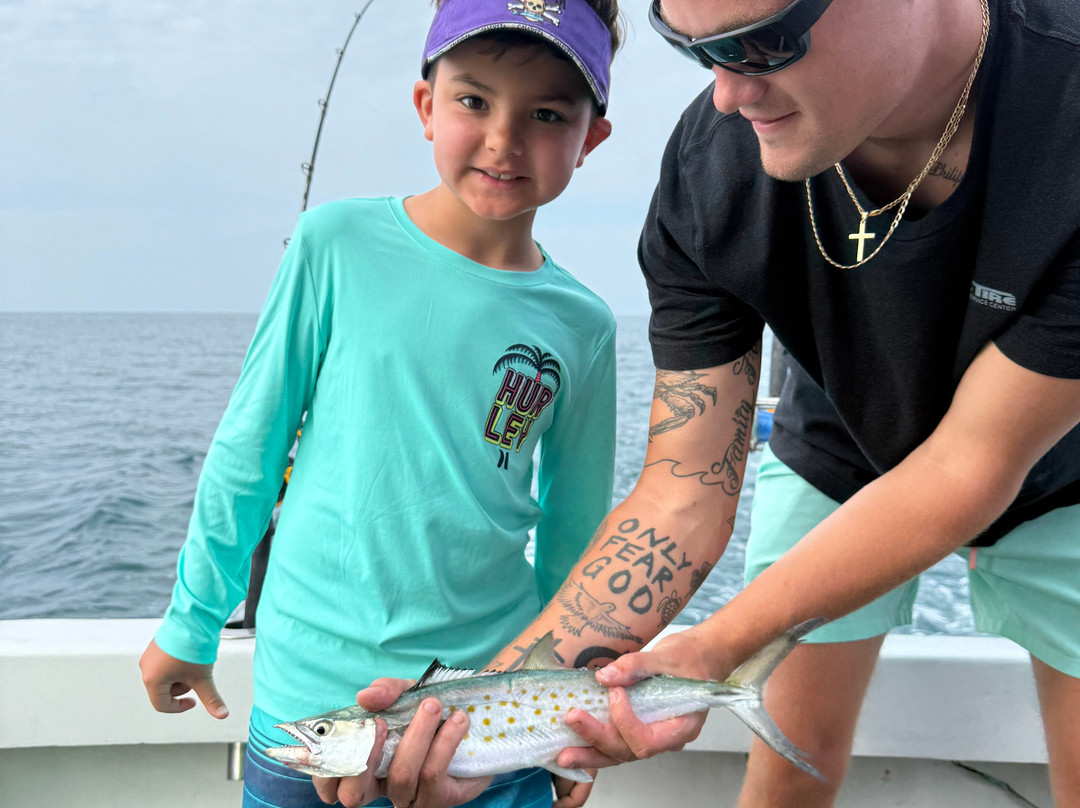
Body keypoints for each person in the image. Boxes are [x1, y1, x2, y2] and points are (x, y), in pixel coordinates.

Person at [351, 0, 1080, 805]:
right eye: (695, 50)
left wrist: (717, 643)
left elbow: (968, 466)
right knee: (786, 781)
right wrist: (469, 722)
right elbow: (685, 489)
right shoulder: (712, 170)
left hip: (1067, 470)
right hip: (841, 440)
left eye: (766, 42)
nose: (728, 94)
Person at [137, 1, 624, 806]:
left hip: (490, 722)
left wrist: (572, 716)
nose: (503, 138)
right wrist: (192, 622)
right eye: (474, 100)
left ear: (591, 139)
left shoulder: (585, 325)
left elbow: (576, 537)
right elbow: (250, 449)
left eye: (546, 114)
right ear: (426, 106)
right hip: (309, 704)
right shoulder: (333, 244)